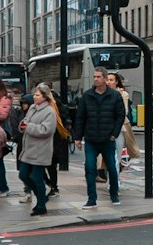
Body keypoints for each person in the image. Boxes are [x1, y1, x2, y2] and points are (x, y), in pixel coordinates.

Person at [74, 65, 125, 208]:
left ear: (104, 79)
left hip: (107, 139)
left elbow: (120, 116)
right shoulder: (87, 95)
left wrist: (114, 134)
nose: (95, 79)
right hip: (91, 139)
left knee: (112, 168)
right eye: (94, 77)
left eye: (98, 77)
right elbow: (80, 117)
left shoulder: (115, 96)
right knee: (90, 168)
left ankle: (114, 194)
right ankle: (92, 199)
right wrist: (78, 137)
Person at [19, 83, 57, 215]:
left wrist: (28, 127)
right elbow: (26, 120)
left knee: (37, 178)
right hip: (28, 149)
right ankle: (42, 197)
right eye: (34, 94)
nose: (34, 97)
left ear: (45, 97)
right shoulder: (32, 108)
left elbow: (46, 130)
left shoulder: (50, 112)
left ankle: (41, 205)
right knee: (23, 174)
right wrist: (22, 124)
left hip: (41, 150)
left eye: (37, 95)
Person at [107, 71, 140, 171]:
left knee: (117, 156)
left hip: (120, 127)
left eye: (111, 80)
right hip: (103, 128)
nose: (108, 82)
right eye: (107, 80)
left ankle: (113, 182)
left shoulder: (123, 94)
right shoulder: (100, 93)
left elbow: (124, 111)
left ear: (116, 82)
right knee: (104, 157)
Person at [45, 88, 71, 199]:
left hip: (54, 140)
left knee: (50, 165)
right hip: (51, 140)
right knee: (48, 166)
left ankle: (53, 186)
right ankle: (52, 185)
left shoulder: (56, 109)